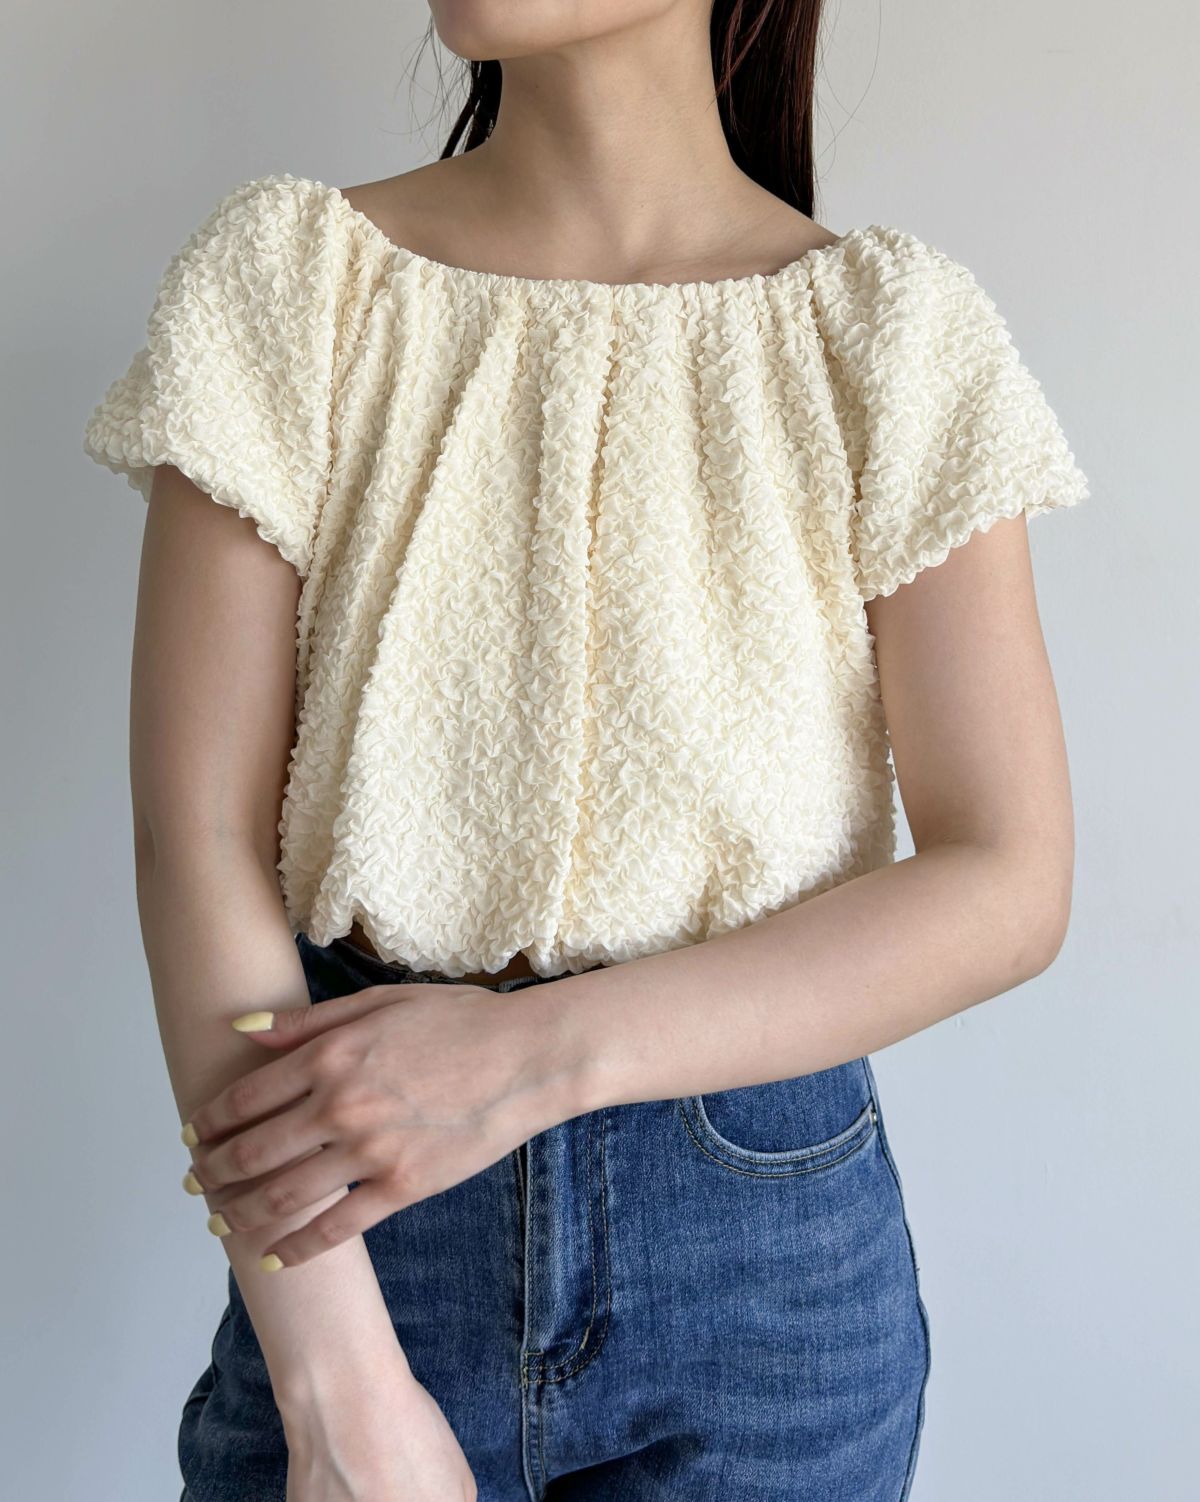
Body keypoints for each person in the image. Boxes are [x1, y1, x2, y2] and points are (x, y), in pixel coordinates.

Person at [81, 3, 1089, 1499]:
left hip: (765, 1274)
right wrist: (336, 1385)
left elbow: (1008, 879)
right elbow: (196, 837)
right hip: (353, 1226)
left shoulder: (892, 335)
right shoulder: (291, 281)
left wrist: (524, 1060)